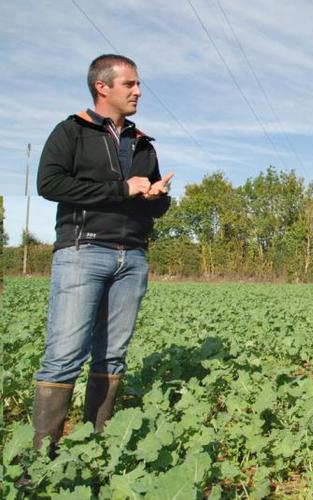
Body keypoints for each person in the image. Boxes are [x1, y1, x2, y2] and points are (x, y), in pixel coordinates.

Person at [32, 54, 173, 449]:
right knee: (64, 355)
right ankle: (41, 461)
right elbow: (50, 184)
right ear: (102, 87)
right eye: (130, 84)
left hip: (133, 256)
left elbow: (151, 204)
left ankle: (97, 450)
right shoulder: (72, 132)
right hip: (83, 250)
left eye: (138, 84)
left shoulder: (142, 142)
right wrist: (120, 189)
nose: (138, 91)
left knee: (112, 357)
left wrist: (156, 196)